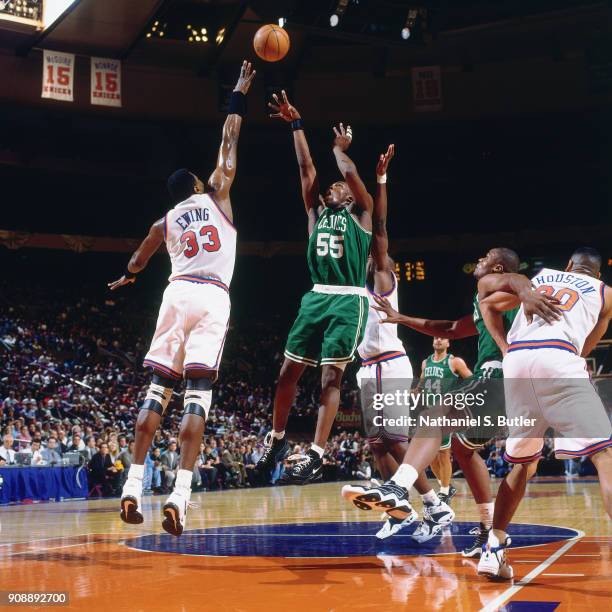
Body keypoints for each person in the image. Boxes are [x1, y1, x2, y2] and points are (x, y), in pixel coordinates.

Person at [109, 61, 255, 536]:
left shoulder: (164, 222)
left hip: (175, 295)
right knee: (198, 396)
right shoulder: (217, 196)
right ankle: (180, 493)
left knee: (157, 391)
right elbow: (229, 140)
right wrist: (238, 93)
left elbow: (138, 257)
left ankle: (132, 485)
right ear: (197, 185)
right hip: (212, 296)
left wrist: (130, 277)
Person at [351, 248, 558, 555]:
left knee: (436, 415)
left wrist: (526, 290)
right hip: (527, 384)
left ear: (497, 268)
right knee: (463, 448)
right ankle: (489, 529)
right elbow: (450, 328)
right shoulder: (493, 304)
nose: (480, 260)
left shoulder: (495, 284)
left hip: (503, 374)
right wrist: (400, 318)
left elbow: (517, 277)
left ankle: (400, 487)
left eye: (486, 257)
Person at [255, 91, 373, 486]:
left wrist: (341, 151)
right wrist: (296, 124)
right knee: (287, 374)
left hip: (348, 300)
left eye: (338, 187)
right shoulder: (316, 213)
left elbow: (353, 176)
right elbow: (305, 166)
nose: (332, 189)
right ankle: (277, 439)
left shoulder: (362, 216)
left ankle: (318, 454)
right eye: (331, 187)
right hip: (316, 295)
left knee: (330, 379)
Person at [476, 247, 612, 579]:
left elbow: (487, 303)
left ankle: (492, 549)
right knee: (605, 454)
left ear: (568, 265)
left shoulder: (539, 277)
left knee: (522, 465)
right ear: (598, 274)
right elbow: (588, 344)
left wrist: (505, 346)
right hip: (559, 357)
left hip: (518, 363)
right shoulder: (606, 293)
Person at [341, 146, 454, 542]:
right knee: (376, 445)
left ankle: (436, 505)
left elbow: (381, 226)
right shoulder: (352, 286)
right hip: (366, 368)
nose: (371, 255)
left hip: (390, 363)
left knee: (397, 440)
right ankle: (401, 511)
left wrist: (381, 181)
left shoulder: (383, 278)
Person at [419, 337, 472, 504]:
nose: (438, 340)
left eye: (442, 338)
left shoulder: (455, 362)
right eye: (435, 337)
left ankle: (443, 491)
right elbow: (421, 386)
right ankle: (446, 486)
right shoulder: (425, 362)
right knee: (429, 457)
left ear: (448, 343)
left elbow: (473, 381)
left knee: (443, 453)